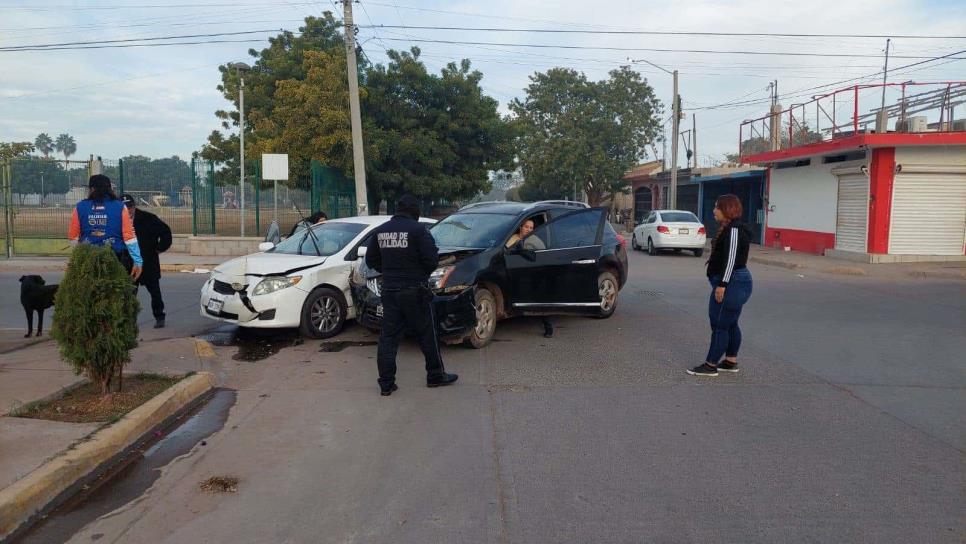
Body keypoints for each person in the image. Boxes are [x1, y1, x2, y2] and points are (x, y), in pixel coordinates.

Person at [365, 195, 458, 396]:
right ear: (415, 211)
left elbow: (371, 259)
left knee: (388, 338)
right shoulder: (418, 231)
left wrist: (388, 271)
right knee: (427, 335)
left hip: (389, 290)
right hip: (414, 290)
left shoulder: (381, 231)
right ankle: (435, 376)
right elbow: (431, 260)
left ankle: (386, 384)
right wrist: (418, 274)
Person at [688, 194, 753, 377]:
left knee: (719, 325)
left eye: (717, 207)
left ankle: (710, 366)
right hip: (734, 281)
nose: (714, 211)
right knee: (730, 323)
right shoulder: (729, 228)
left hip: (732, 281)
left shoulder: (734, 230)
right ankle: (730, 361)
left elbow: (731, 260)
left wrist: (722, 284)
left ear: (727, 210)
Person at [68, 174, 143, 281]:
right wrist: (138, 261)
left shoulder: (80, 207)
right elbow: (129, 237)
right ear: (110, 189)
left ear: (92, 189)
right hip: (116, 259)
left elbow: (73, 237)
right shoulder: (120, 206)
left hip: (88, 259)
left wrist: (79, 259)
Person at [121, 194, 172, 328]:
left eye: (130, 207)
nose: (128, 210)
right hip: (129, 264)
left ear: (134, 206)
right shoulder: (118, 221)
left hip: (148, 261)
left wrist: (160, 248)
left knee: (154, 292)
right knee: (129, 294)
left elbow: (166, 232)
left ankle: (159, 316)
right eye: (125, 208)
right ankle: (129, 321)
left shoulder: (148, 218)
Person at [505, 219, 553, 338]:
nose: (529, 230)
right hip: (517, 274)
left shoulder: (534, 240)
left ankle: (548, 326)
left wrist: (523, 251)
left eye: (531, 228)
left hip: (534, 274)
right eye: (526, 227)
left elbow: (538, 256)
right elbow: (506, 252)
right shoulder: (513, 238)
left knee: (540, 300)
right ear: (520, 227)